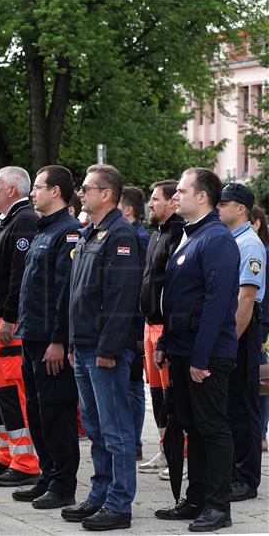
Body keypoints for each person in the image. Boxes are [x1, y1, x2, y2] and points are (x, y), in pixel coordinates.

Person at [152, 168, 239, 531]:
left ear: (202, 197)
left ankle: (218, 505)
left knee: (211, 427)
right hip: (185, 349)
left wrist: (201, 359)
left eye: (182, 191)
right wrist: (166, 343)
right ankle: (196, 497)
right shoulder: (192, 235)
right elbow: (180, 299)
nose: (176, 197)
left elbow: (217, 305)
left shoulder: (216, 239)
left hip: (206, 355)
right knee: (192, 426)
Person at [62, 164, 142, 531]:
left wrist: (108, 348)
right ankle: (100, 493)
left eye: (87, 188)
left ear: (106, 194)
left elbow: (122, 299)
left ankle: (119, 503)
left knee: (115, 429)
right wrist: (72, 343)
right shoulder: (90, 232)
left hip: (104, 349)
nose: (81, 193)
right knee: (94, 427)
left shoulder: (120, 235)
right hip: (84, 345)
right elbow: (78, 293)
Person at [14, 165, 81, 509]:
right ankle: (48, 473)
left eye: (38, 187)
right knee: (37, 411)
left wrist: (58, 340)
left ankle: (63, 484)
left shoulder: (68, 233)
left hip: (49, 340)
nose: (32, 192)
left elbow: (64, 294)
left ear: (55, 191)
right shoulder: (44, 230)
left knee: (56, 412)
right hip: (32, 335)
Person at [0, 166, 40, 487]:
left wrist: (11, 317)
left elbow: (19, 274)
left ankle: (26, 460)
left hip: (5, 322)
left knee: (12, 389)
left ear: (12, 190)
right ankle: (8, 451)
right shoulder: (11, 220)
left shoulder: (24, 220)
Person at [217, 183, 264, 502]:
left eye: (224, 203)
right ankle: (233, 471)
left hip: (243, 332)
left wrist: (229, 344)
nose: (218, 208)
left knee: (243, 407)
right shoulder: (231, 241)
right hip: (232, 329)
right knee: (230, 405)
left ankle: (246, 479)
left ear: (241, 209)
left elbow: (246, 299)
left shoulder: (249, 244)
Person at [138, 180, 184, 475]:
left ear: (172, 202)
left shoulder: (177, 233)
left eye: (155, 199)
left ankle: (182, 453)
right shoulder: (156, 233)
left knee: (172, 393)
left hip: (165, 325)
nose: (151, 204)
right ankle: (166, 448)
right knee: (156, 392)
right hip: (148, 324)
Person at [118, 186, 150, 461]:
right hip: (130, 325)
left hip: (135, 326)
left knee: (132, 386)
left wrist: (140, 330)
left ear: (127, 209)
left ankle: (135, 442)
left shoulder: (138, 238)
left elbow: (140, 287)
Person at [249, 206, 269, 453]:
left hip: (259, 326)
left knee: (261, 382)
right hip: (259, 325)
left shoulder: (261, 252)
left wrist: (263, 333)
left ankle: (261, 433)